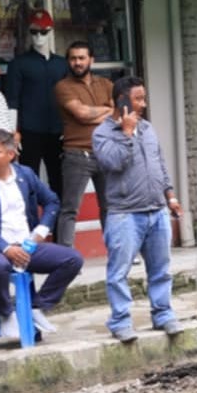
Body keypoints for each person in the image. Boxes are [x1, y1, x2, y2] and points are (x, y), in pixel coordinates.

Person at [0, 129, 83, 342]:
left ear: (10, 154)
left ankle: (37, 307)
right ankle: (6, 312)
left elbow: (52, 201)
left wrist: (41, 231)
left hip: (27, 246)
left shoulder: (25, 175)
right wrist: (6, 248)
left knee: (72, 259)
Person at [93, 77, 182, 342]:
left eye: (144, 98)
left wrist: (171, 196)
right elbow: (114, 162)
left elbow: (159, 164)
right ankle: (120, 321)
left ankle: (163, 315)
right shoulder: (102, 133)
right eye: (137, 99)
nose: (143, 104)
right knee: (119, 272)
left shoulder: (148, 128)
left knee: (161, 269)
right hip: (125, 214)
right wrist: (127, 134)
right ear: (120, 100)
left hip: (157, 210)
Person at [54, 41, 115, 246]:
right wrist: (105, 110)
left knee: (110, 206)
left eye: (82, 58)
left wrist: (95, 113)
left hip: (106, 152)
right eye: (73, 58)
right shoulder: (63, 86)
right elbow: (80, 113)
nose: (77, 62)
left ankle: (116, 251)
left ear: (91, 60)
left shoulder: (106, 84)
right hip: (77, 154)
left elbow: (117, 112)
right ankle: (66, 257)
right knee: (70, 208)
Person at [4, 10, 70, 194]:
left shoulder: (62, 64)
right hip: (29, 131)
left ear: (51, 31)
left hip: (57, 131)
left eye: (44, 31)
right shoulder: (18, 64)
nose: (39, 36)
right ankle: (31, 220)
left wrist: (69, 127)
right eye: (34, 32)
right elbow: (12, 100)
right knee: (28, 180)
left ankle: (57, 222)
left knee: (58, 180)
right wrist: (13, 131)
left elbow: (69, 98)